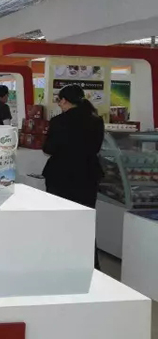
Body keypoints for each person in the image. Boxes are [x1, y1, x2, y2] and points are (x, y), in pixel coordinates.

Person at [42, 84, 105, 269]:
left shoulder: (59, 121)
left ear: (64, 100)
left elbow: (49, 148)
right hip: (88, 175)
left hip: (60, 175)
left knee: (61, 220)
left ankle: (60, 261)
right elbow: (96, 148)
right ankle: (90, 263)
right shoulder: (96, 120)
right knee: (85, 220)